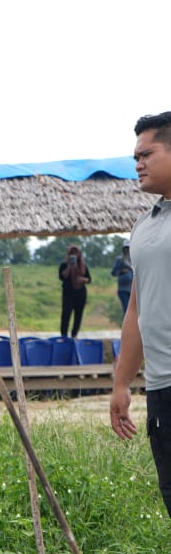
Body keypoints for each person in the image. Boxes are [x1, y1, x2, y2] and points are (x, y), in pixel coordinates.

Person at [112, 111, 171, 517]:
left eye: (146, 153)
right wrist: (120, 384)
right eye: (135, 156)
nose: (138, 164)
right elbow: (137, 308)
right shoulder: (143, 229)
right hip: (163, 388)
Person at [58, 244, 91, 338]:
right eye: (71, 253)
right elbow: (62, 276)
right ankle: (63, 335)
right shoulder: (63, 265)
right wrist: (69, 267)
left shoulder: (83, 266)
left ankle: (74, 334)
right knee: (66, 315)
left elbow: (89, 279)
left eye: (75, 253)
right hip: (68, 294)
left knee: (78, 315)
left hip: (80, 294)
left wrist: (82, 279)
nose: (74, 255)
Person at [110, 240, 133, 321]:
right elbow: (113, 272)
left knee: (133, 310)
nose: (127, 250)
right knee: (126, 308)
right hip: (123, 289)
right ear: (124, 249)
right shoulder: (119, 259)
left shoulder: (133, 259)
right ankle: (126, 329)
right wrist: (122, 271)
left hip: (132, 289)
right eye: (126, 248)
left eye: (129, 248)